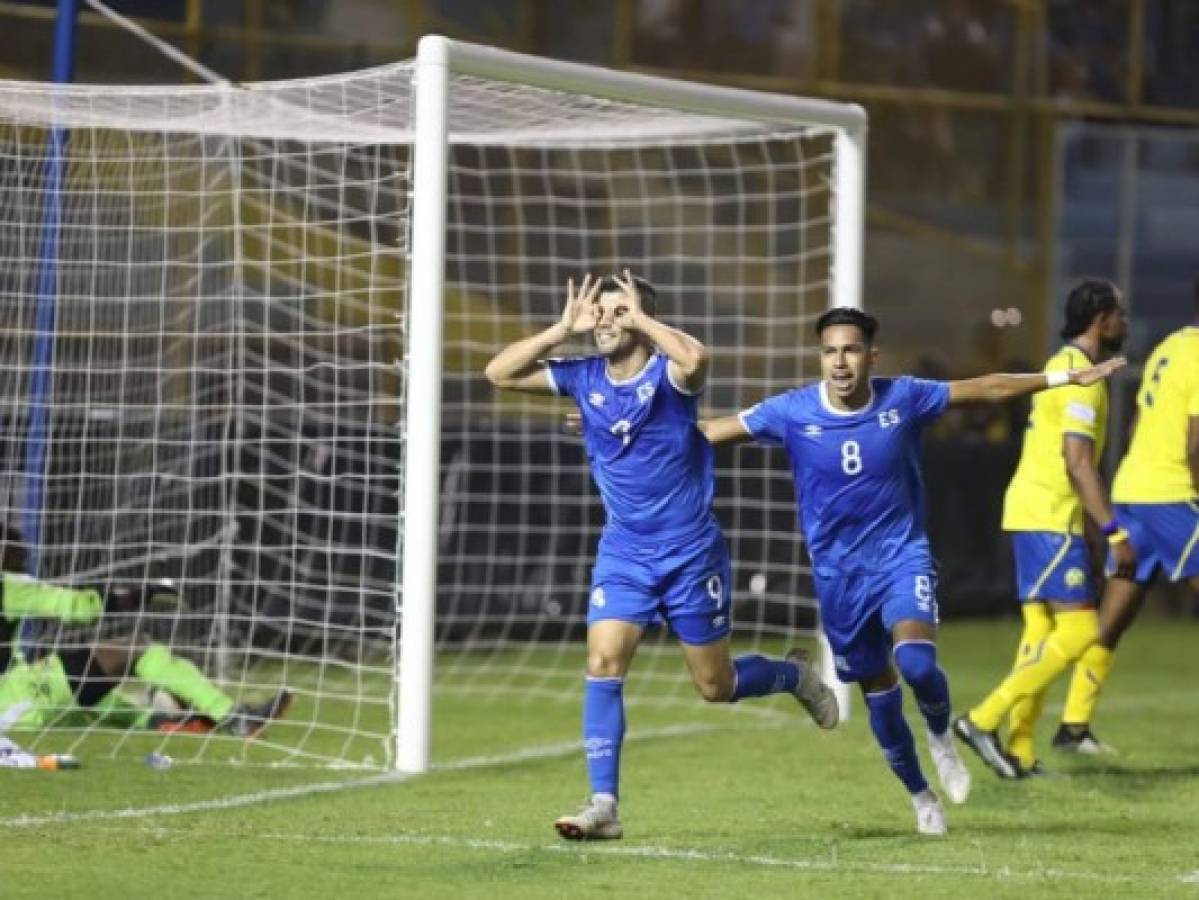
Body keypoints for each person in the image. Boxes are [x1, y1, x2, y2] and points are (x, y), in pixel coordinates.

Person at [700, 306, 1124, 835]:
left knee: (919, 665)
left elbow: (986, 388)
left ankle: (943, 736)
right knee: (880, 696)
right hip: (839, 577)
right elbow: (710, 432)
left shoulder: (904, 396)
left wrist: (1063, 376)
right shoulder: (792, 411)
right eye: (830, 351)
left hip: (901, 556)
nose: (840, 361)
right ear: (820, 357)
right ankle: (922, 795)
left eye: (851, 350)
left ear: (871, 356)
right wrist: (623, 426)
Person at [484, 271, 840, 841]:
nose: (604, 319)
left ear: (642, 321)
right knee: (602, 663)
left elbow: (696, 356)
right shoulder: (581, 378)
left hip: (691, 555)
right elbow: (498, 373)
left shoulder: (671, 378)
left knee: (714, 686)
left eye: (616, 310)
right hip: (624, 552)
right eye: (600, 311)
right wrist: (559, 330)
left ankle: (792, 675)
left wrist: (641, 318)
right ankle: (604, 805)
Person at [953, 279, 1129, 778]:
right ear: (1101, 318)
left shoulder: (1062, 366)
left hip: (1033, 511)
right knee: (1078, 633)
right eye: (1121, 314)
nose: (1126, 324)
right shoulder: (1080, 375)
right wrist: (1112, 529)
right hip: (1049, 515)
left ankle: (1022, 750)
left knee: (1040, 633)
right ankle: (983, 719)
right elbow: (1077, 461)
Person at [1050, 283, 1199, 748]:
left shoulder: (1170, 347)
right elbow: (1196, 445)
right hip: (1172, 494)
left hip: (1135, 489)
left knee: (1112, 617)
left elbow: (1137, 425)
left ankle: (1073, 726)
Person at [0, 527, 291, 739]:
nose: (24, 561)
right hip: (20, 700)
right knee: (137, 648)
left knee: (92, 690)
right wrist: (145, 594)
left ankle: (162, 721)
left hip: (14, 709)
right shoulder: (8, 586)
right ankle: (234, 717)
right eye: (17, 553)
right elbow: (81, 609)